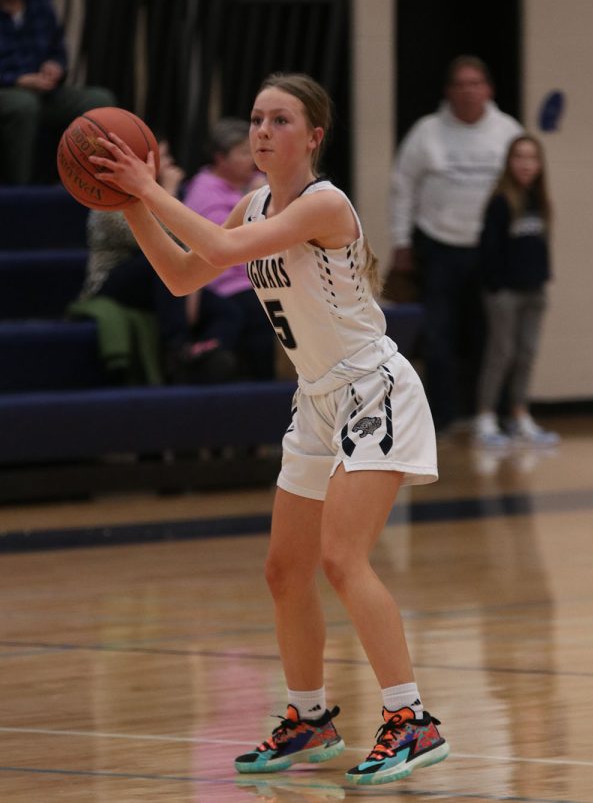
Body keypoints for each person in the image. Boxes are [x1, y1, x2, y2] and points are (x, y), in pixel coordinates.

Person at [89, 71, 450, 787]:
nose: (261, 131)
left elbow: (224, 255)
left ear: (313, 136)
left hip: (373, 389)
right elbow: (185, 277)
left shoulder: (324, 203)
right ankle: (309, 719)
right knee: (285, 570)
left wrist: (150, 186)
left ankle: (412, 720)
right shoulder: (252, 201)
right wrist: (132, 202)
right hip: (315, 399)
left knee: (343, 560)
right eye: (255, 118)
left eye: (279, 120)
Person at [388, 55, 522, 434]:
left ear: (488, 90)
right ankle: (442, 418)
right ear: (449, 91)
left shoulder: (507, 131)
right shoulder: (426, 132)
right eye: (460, 84)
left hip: (489, 250)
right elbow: (402, 189)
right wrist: (401, 241)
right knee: (437, 337)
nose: (468, 91)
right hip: (438, 246)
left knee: (491, 335)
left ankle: (487, 415)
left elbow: (521, 189)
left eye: (475, 83)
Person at [76, 141, 237, 384]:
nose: (170, 164)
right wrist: (167, 192)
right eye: (163, 158)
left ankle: (204, 355)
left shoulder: (162, 197)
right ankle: (177, 349)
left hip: (163, 286)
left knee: (228, 311)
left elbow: (188, 248)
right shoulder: (110, 195)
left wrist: (194, 289)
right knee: (156, 266)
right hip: (110, 284)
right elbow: (155, 239)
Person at [0, 0, 115, 184]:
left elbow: (58, 49)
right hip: (8, 90)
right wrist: (18, 79)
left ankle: (89, 181)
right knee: (23, 105)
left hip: (45, 90)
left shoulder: (39, 3)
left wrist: (55, 67)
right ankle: (21, 190)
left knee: (99, 99)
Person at [473, 134, 559, 447]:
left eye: (532, 158)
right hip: (504, 292)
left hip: (534, 290)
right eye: (519, 157)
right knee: (501, 352)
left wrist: (542, 278)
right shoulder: (500, 202)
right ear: (510, 163)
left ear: (540, 164)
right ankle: (485, 416)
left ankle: (519, 414)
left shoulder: (540, 201)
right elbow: (488, 250)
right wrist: (496, 285)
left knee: (527, 353)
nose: (526, 164)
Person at [184, 118, 275, 380]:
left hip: (259, 275)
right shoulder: (204, 192)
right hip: (223, 282)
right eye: (244, 152)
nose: (252, 158)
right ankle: (262, 389)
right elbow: (222, 248)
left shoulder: (258, 182)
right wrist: (256, 204)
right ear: (219, 158)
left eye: (253, 151)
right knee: (261, 310)